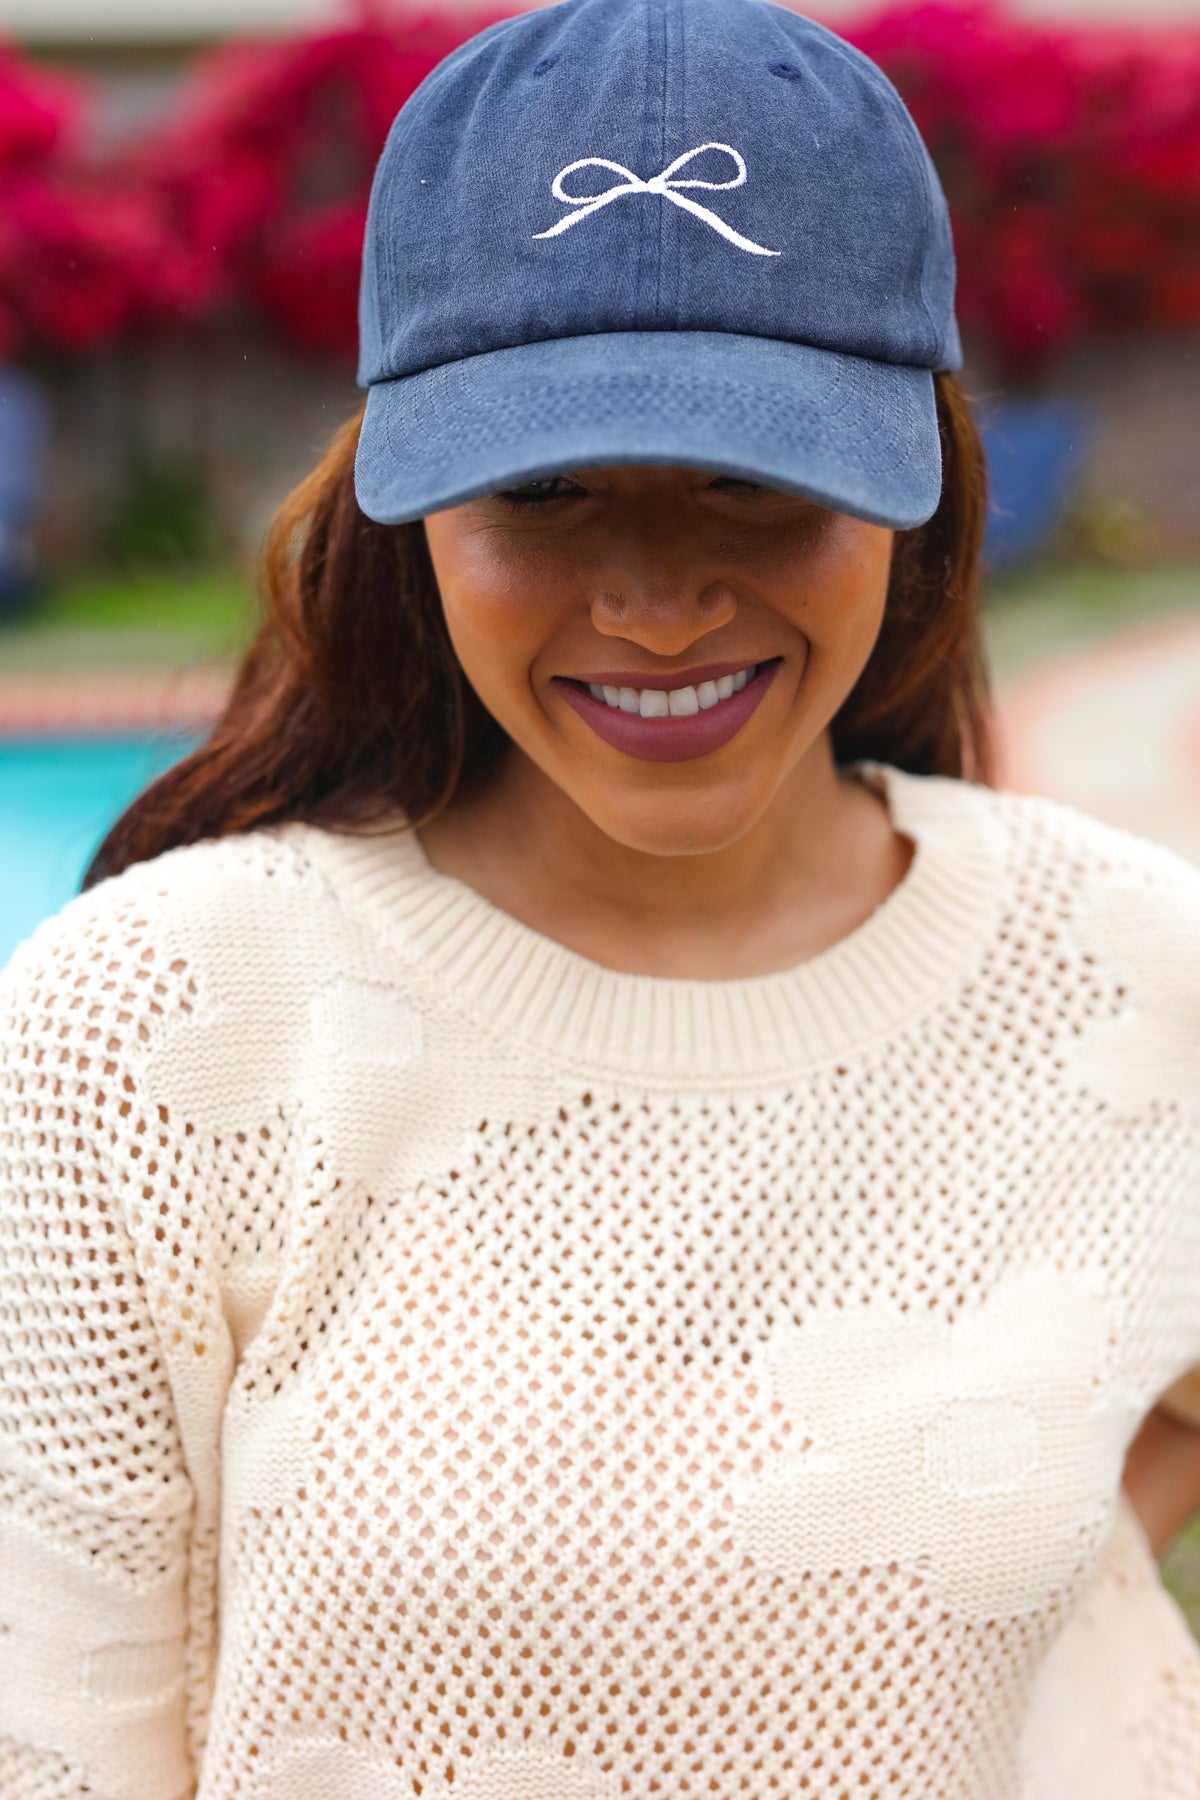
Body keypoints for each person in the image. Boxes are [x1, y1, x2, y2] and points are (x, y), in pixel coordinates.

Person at [2, 0, 1200, 1793]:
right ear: (402, 508)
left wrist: (1037, 1583)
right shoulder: (146, 1027)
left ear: (921, 475)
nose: (653, 601)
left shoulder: (1127, 970)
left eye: (755, 477)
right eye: (544, 488)